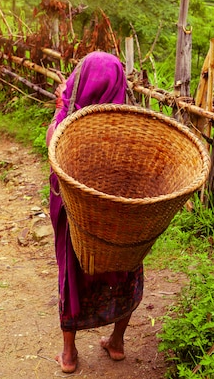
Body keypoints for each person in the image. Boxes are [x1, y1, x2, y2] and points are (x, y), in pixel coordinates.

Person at [46, 51, 143, 374]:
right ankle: (116, 341)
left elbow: (52, 158)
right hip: (119, 221)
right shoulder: (133, 130)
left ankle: (69, 354)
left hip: (77, 219)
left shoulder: (66, 125)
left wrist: (61, 109)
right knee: (126, 269)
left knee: (71, 274)